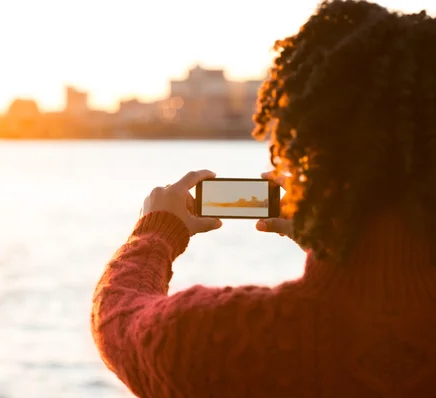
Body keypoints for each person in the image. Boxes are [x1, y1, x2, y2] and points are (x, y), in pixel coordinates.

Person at [91, 1, 436, 396]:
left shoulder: (232, 338)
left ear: (307, 139)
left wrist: (155, 236)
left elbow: (121, 321)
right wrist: (339, 241)